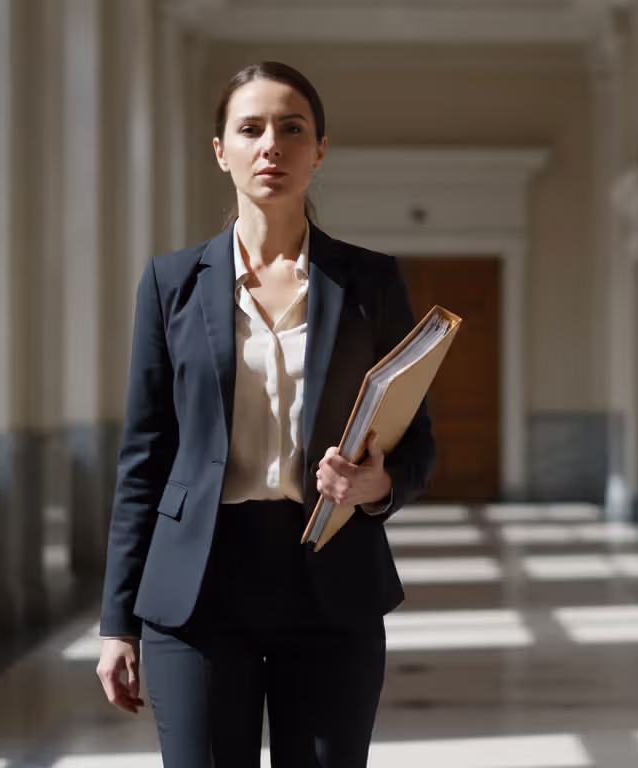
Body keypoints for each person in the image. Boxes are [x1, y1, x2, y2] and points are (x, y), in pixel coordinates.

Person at [94, 61, 436, 768]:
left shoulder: (371, 281)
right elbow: (145, 457)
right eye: (250, 129)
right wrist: (116, 621)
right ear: (221, 151)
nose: (271, 145)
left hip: (331, 582)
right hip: (197, 590)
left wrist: (377, 486)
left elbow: (417, 441)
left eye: (292, 128)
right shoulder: (170, 284)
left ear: (320, 148)